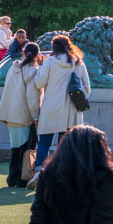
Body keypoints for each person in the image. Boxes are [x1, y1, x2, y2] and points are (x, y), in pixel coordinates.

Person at [28, 34, 91, 190]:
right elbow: (87, 88)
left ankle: (39, 172)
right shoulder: (78, 62)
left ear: (54, 47)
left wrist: (40, 68)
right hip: (72, 110)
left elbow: (39, 83)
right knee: (66, 145)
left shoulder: (49, 61)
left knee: (44, 142)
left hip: (51, 108)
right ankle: (65, 175)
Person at [0, 42, 42, 187]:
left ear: (23, 52)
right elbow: (32, 96)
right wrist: (35, 116)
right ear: (37, 55)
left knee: (15, 148)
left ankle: (12, 178)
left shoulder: (13, 67)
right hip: (24, 115)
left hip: (10, 114)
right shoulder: (33, 71)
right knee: (26, 148)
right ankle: (23, 179)